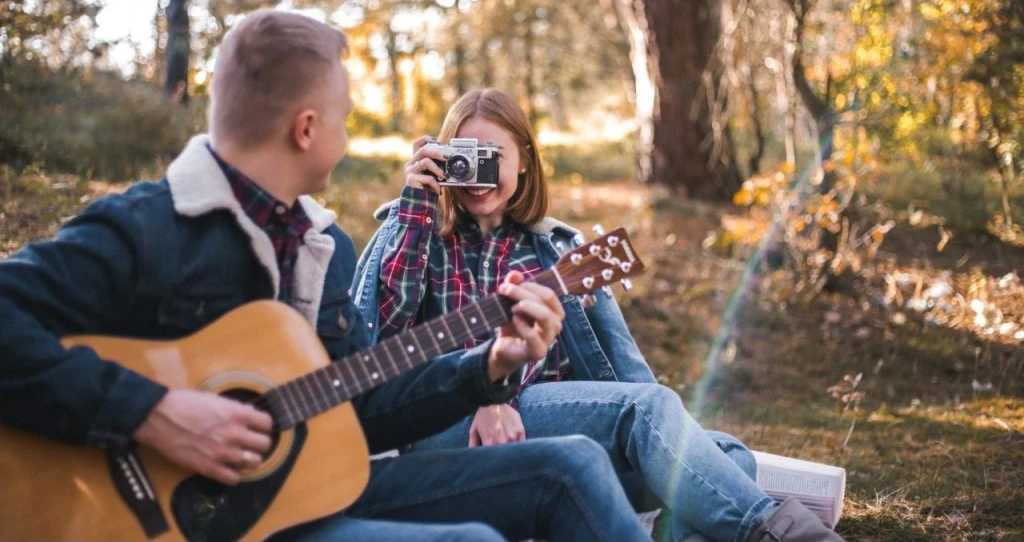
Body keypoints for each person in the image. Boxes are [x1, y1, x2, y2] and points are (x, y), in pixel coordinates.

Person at [0, 12, 651, 542]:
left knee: (570, 466)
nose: (345, 139)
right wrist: (154, 412)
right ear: (306, 129)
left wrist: (486, 367)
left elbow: (362, 412)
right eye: (342, 119)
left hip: (305, 491)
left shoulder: (328, 252)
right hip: (169, 520)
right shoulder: (147, 229)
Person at [354, 88, 846, 542]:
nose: (478, 174)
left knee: (728, 455)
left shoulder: (558, 253)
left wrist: (545, 354)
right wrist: (414, 209)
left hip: (544, 424)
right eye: (464, 157)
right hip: (441, 428)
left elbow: (622, 376)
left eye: (493, 157)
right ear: (440, 158)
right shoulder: (416, 236)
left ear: (524, 160)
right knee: (653, 414)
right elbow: (383, 336)